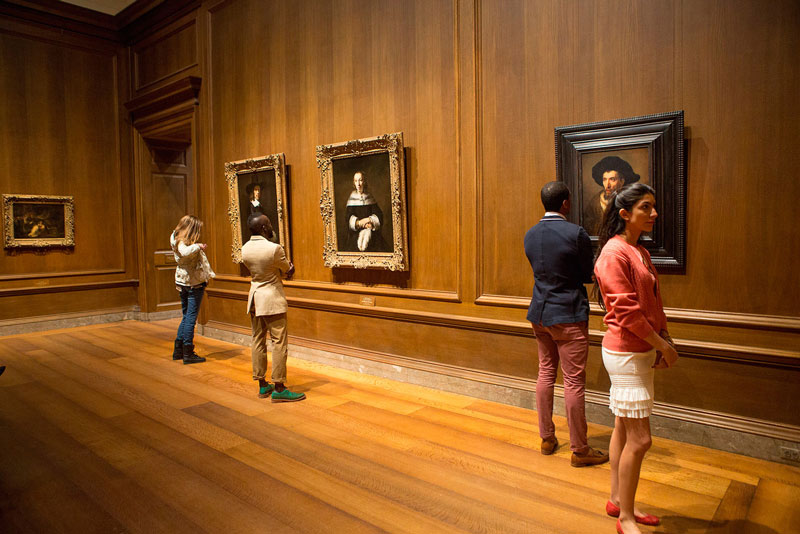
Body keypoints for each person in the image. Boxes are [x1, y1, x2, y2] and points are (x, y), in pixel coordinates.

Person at [593, 183, 678, 534]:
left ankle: (618, 499)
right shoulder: (614, 253)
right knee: (641, 439)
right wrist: (663, 345)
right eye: (647, 207)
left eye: (654, 206)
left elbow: (651, 303)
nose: (654, 213)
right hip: (627, 351)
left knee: (623, 429)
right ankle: (625, 517)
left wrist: (664, 337)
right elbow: (627, 312)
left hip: (638, 348)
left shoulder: (636, 249)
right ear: (625, 214)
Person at [524, 181, 610, 467]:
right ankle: (580, 450)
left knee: (545, 373)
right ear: (565, 203)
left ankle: (547, 439)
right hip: (569, 314)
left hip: (540, 313)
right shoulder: (576, 233)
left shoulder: (530, 235)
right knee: (574, 383)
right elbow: (588, 274)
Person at [241, 213, 305, 402]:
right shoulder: (274, 248)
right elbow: (288, 269)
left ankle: (262, 385)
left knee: (258, 340)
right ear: (262, 228)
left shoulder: (245, 249)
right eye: (268, 224)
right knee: (278, 342)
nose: (270, 226)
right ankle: (279, 387)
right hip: (272, 299)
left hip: (254, 298)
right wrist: (287, 267)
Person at [170, 215, 215, 364]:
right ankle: (188, 352)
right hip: (192, 282)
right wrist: (199, 246)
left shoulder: (174, 238)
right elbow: (184, 252)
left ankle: (178, 350)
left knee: (185, 316)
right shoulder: (183, 244)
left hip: (182, 281)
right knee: (190, 318)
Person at [584, 156, 640, 235]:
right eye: (604, 179)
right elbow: (588, 226)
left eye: (612, 179)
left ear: (622, 181)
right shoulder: (595, 202)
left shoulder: (630, 200)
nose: (607, 185)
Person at [344, 172, 388, 252]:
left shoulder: (369, 197)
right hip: (356, 233)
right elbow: (348, 218)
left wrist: (369, 220)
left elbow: (379, 215)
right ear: (354, 183)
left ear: (364, 182)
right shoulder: (352, 198)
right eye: (356, 181)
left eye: (360, 180)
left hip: (371, 231)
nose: (358, 184)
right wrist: (359, 223)